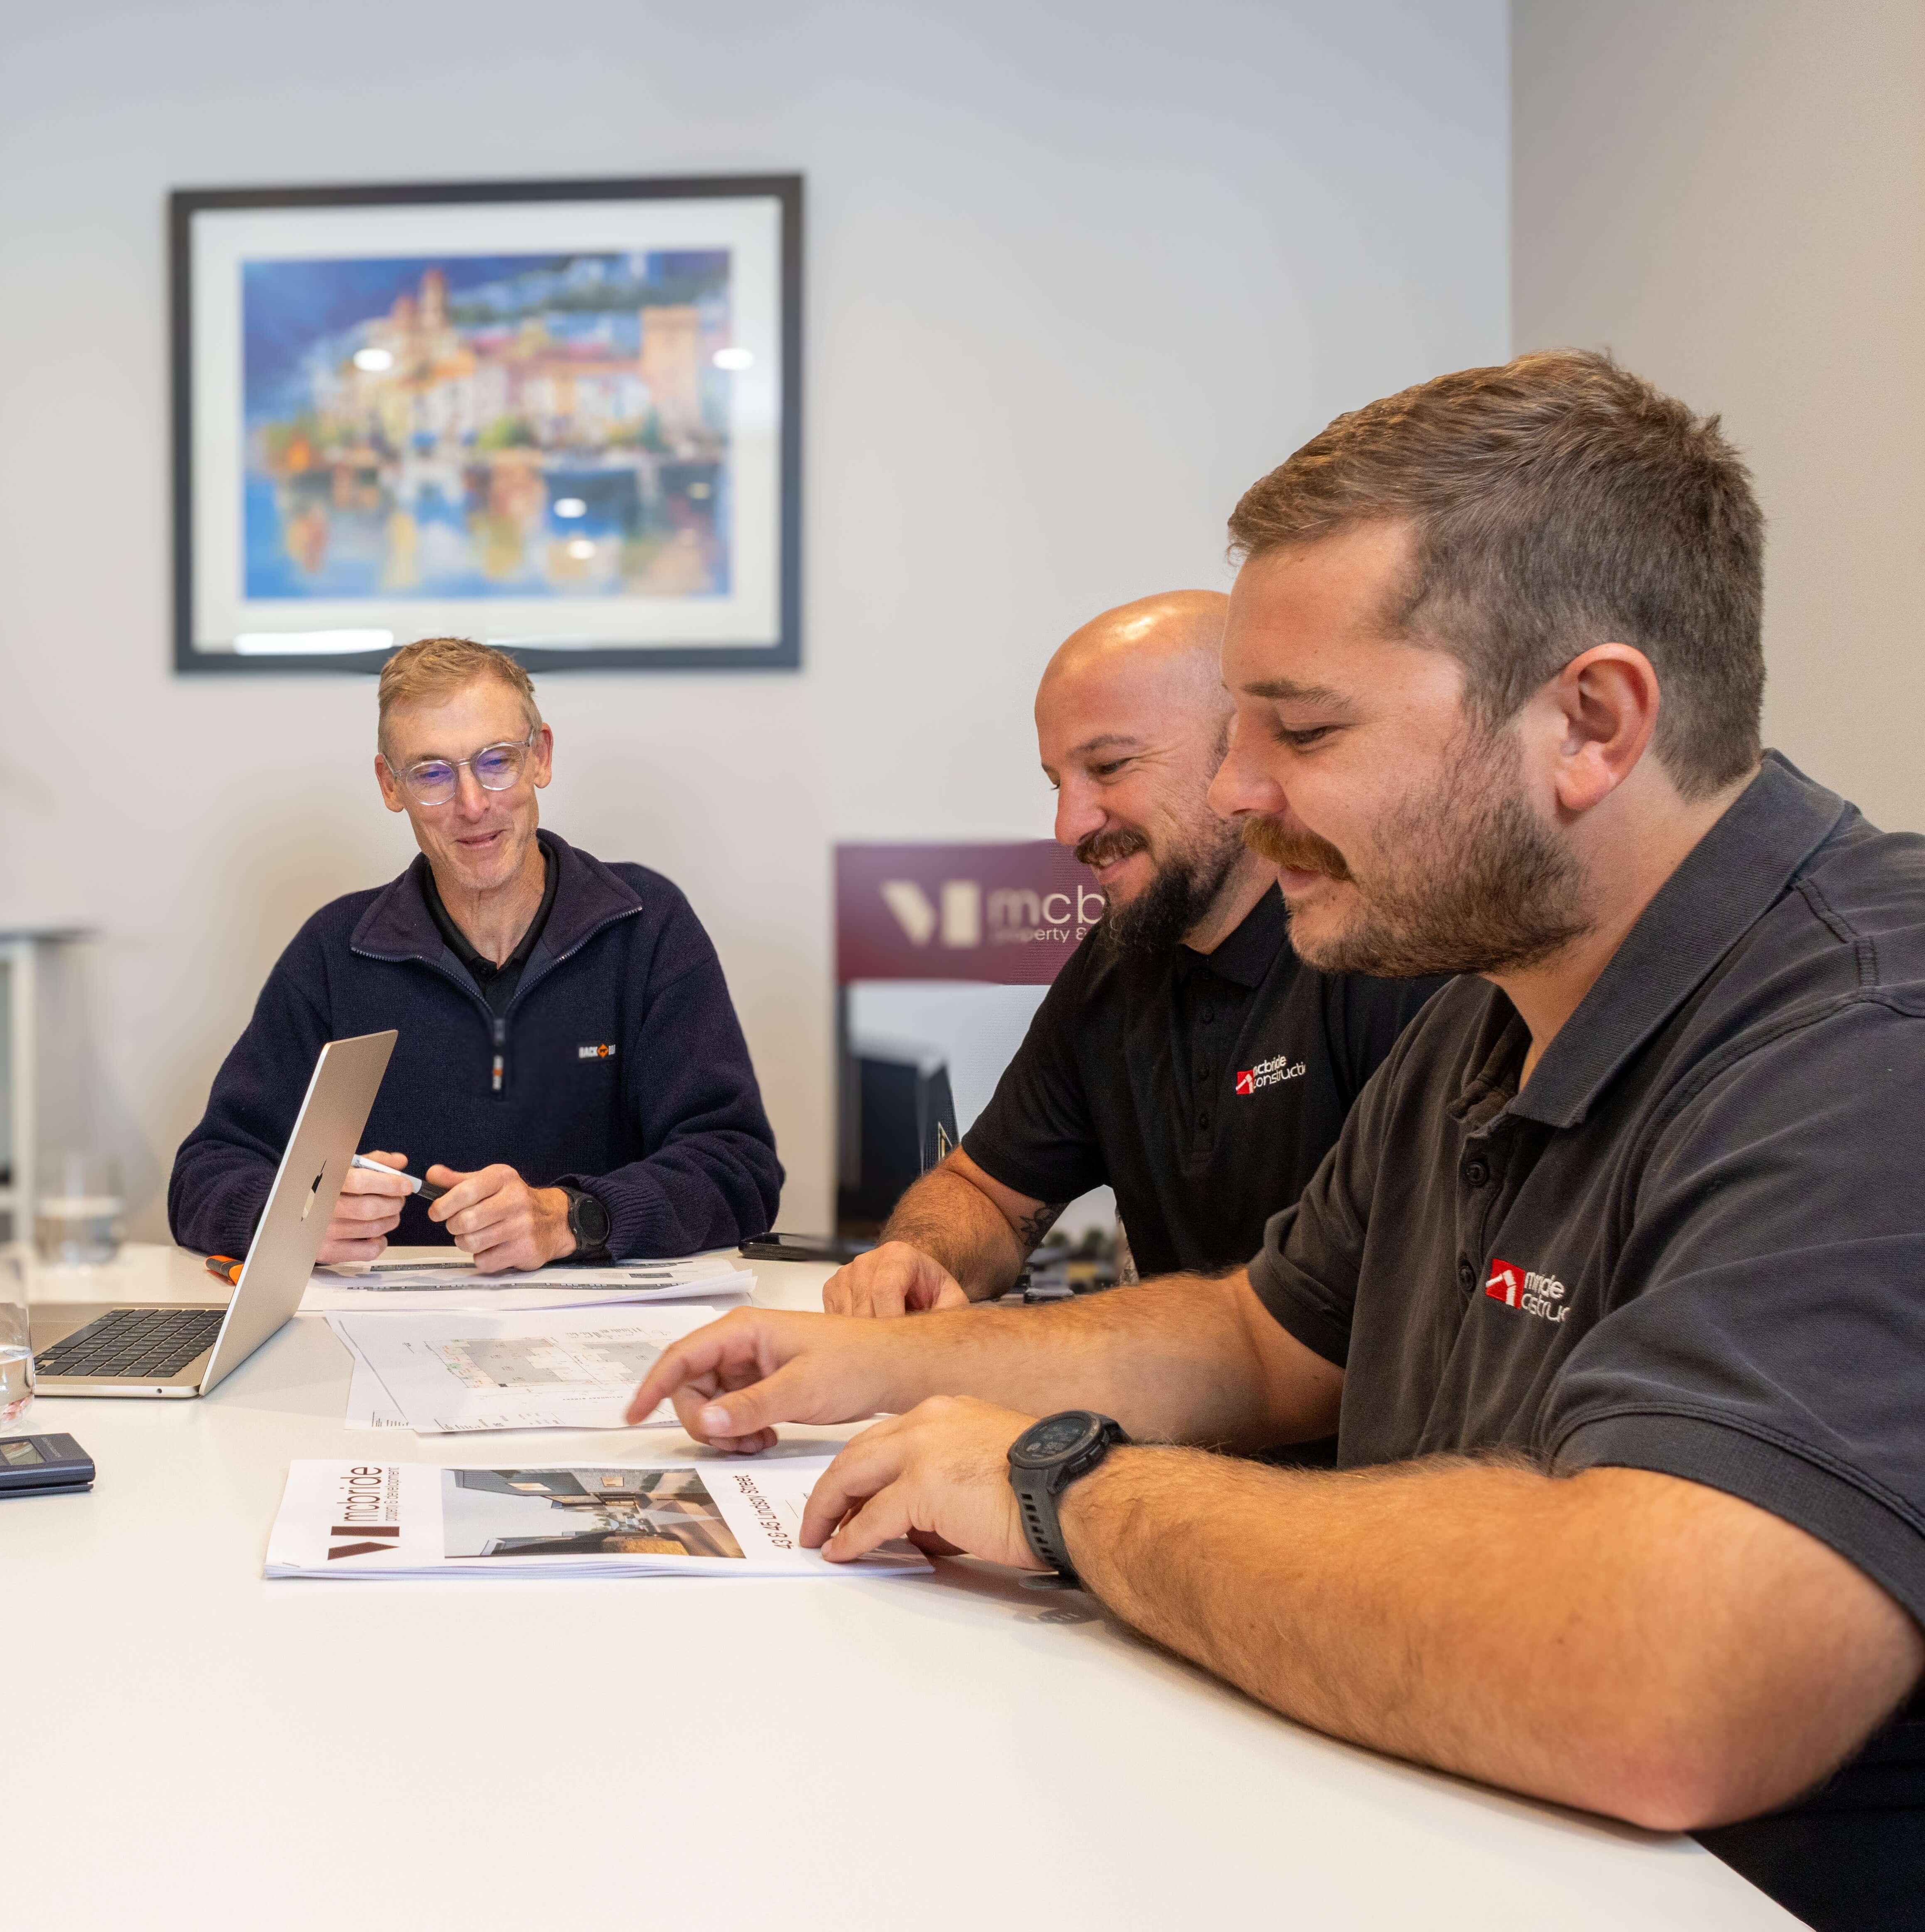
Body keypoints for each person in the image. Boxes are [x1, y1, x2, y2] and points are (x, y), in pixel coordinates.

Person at [627, 352, 1923, 1932]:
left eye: (1298, 732)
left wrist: (1063, 1489)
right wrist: (885, 1368)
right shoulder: (1494, 1002)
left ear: (1591, 721)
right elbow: (1258, 1337)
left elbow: (1669, 1686)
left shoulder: (1867, 1040)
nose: (1237, 794)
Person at [823, 591, 1444, 1315]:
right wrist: (919, 1258)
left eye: (1111, 767)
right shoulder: (1118, 963)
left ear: (1247, 753)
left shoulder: (1387, 958)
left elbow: (1379, 1333)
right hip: (1187, 1409)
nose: (1068, 824)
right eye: (1059, 783)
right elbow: (985, 1194)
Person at [169, 636, 780, 1271]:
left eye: (497, 762)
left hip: (603, 1346)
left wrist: (572, 1218)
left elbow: (739, 1171)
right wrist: (291, 1215)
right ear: (390, 786)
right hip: (377, 1345)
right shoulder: (335, 951)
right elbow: (205, 1174)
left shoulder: (646, 926)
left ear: (540, 757)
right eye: (432, 773)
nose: (472, 805)